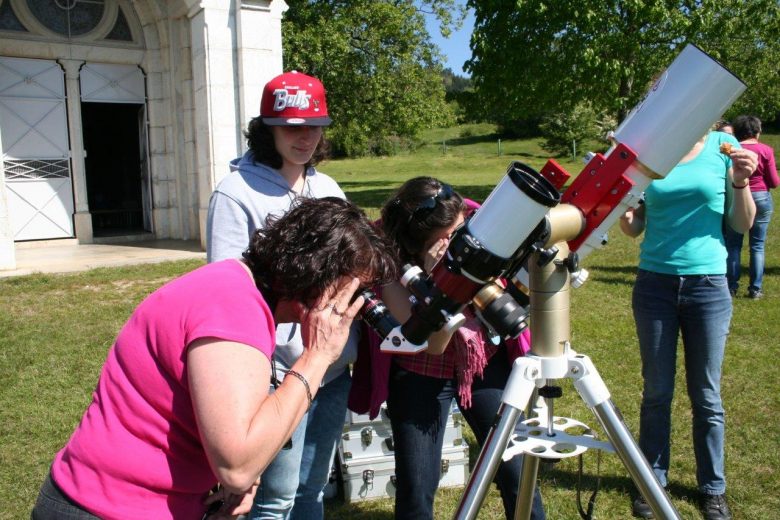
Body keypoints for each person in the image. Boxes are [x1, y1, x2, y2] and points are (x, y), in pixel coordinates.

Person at [31, 197, 398, 520]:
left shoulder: (233, 287)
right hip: (108, 507)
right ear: (318, 276)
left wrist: (249, 472)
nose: (357, 306)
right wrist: (317, 357)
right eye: (355, 290)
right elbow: (236, 466)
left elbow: (236, 442)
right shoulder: (232, 313)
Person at [349, 177, 545, 520]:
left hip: (483, 363)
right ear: (420, 242)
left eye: (460, 229)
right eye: (449, 236)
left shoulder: (475, 225)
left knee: (515, 470)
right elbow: (424, 338)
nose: (461, 239)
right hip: (421, 372)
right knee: (416, 486)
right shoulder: (392, 261)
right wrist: (437, 278)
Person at [205, 71, 354, 519]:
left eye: (314, 126)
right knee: (275, 500)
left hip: (331, 370)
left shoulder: (326, 187)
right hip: (279, 371)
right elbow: (226, 293)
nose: (305, 137)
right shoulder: (235, 193)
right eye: (292, 126)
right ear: (267, 128)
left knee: (312, 491)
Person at [619, 131, 757, 520]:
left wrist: (741, 182)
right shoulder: (652, 150)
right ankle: (652, 481)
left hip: (708, 286)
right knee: (657, 392)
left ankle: (712, 488)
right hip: (654, 285)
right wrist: (627, 210)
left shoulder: (724, 149)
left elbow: (741, 223)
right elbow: (635, 227)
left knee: (707, 396)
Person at [724, 115, 778, 299]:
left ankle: (731, 286)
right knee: (757, 245)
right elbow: (773, 181)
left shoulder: (732, 150)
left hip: (737, 196)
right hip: (761, 196)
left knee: (733, 245)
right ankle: (755, 288)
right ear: (757, 131)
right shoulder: (765, 150)